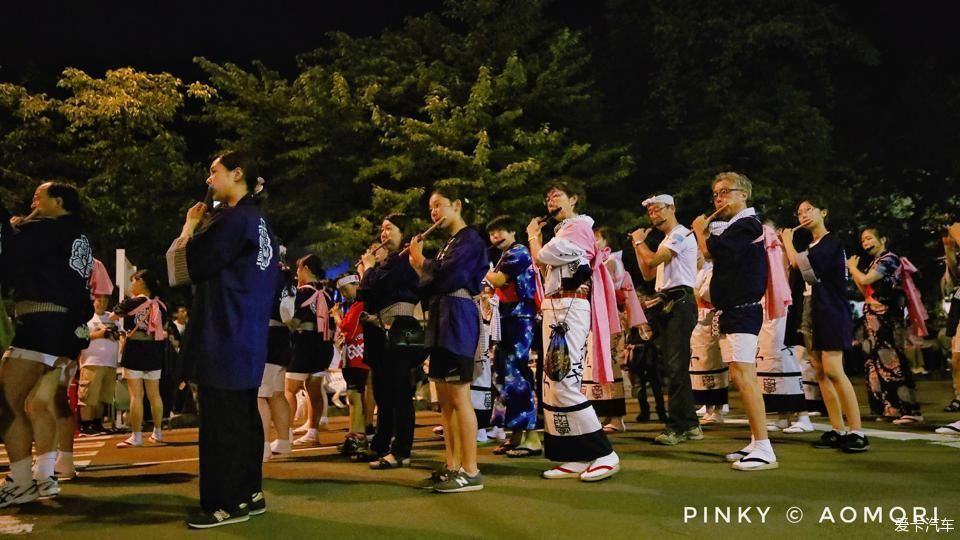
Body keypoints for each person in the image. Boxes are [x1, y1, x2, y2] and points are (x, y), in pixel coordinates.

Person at [170, 150, 278, 527]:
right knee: (244, 417)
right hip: (247, 333)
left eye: (214, 172)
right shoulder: (260, 221)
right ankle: (250, 493)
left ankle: (224, 503)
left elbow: (185, 268)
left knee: (221, 423)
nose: (208, 180)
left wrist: (189, 228)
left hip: (224, 332)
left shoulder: (231, 220)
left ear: (238, 174)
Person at [0, 182, 94, 506]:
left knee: (5, 401)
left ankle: (21, 480)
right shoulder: (78, 235)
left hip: (41, 321)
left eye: (40, 196)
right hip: (67, 328)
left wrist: (14, 225)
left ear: (58, 201)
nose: (33, 201)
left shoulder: (43, 229)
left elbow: (8, 257)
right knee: (41, 403)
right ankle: (45, 475)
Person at [527, 181, 620, 481]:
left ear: (574, 199)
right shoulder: (564, 230)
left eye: (556, 196)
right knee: (552, 382)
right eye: (548, 197)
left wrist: (533, 239)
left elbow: (543, 256)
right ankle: (577, 454)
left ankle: (604, 452)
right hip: (558, 307)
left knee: (563, 379)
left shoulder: (579, 226)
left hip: (569, 306)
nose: (550, 201)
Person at [690, 172, 775, 470]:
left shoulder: (748, 224)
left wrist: (701, 231)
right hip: (731, 309)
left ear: (744, 194)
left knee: (744, 374)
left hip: (743, 309)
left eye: (726, 191)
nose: (719, 198)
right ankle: (756, 440)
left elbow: (713, 251)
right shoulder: (735, 226)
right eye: (715, 193)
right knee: (739, 375)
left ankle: (764, 447)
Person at [409, 187, 489, 492]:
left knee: (459, 396)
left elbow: (449, 275)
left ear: (456, 205)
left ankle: (471, 470)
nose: (434, 213)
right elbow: (430, 283)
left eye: (439, 206)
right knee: (445, 400)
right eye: (431, 209)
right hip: (442, 320)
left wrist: (421, 262)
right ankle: (452, 465)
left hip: (458, 318)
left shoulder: (470, 239)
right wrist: (421, 266)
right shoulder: (449, 244)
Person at [781, 198, 868, 453]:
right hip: (811, 312)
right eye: (799, 212)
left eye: (809, 210)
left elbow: (807, 270)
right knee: (819, 372)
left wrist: (786, 241)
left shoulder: (831, 242)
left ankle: (856, 431)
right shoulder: (812, 244)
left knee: (833, 370)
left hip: (830, 311)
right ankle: (837, 428)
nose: (803, 215)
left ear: (823, 211)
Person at [630, 194, 701, 445]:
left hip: (680, 302)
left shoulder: (681, 234)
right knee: (674, 366)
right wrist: (638, 247)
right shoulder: (666, 240)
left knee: (675, 366)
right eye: (650, 211)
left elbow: (650, 260)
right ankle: (690, 424)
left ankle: (677, 427)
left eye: (658, 209)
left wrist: (639, 243)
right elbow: (647, 272)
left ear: (672, 208)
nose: (653, 215)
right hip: (668, 302)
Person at [357, 214, 423, 470]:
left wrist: (369, 268)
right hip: (385, 331)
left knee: (399, 393)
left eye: (389, 229)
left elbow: (365, 290)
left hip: (401, 330)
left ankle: (401, 449)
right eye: (382, 229)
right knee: (385, 392)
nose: (384, 235)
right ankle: (384, 445)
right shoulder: (391, 262)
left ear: (403, 232)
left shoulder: (404, 259)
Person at [848, 228, 924, 424]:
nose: (865, 243)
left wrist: (852, 268)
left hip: (887, 317)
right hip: (873, 316)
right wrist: (856, 272)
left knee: (892, 362)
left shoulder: (889, 259)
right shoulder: (876, 262)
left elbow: (865, 279)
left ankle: (910, 409)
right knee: (877, 364)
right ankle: (891, 407)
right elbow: (864, 288)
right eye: (863, 240)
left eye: (869, 238)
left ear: (882, 239)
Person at [484, 215, 541, 457]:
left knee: (517, 373)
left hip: (519, 316)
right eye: (492, 233)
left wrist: (478, 265)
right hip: (508, 316)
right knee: (505, 374)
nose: (495, 237)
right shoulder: (505, 256)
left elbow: (497, 280)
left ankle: (532, 438)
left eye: (500, 232)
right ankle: (516, 435)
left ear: (513, 232)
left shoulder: (518, 252)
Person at [589, 227, 647, 433]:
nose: (593, 242)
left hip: (609, 320)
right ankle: (607, 414)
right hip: (600, 319)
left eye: (597, 238)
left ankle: (616, 417)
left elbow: (612, 290)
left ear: (607, 242)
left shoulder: (611, 262)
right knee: (599, 368)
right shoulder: (602, 262)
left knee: (611, 366)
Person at [112, 269, 168, 448]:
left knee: (136, 395)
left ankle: (136, 436)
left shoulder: (132, 302)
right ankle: (157, 432)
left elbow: (114, 315)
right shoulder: (161, 304)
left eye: (134, 281)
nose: (132, 285)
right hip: (154, 350)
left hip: (135, 349)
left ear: (141, 281)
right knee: (155, 394)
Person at [285, 254, 334, 446]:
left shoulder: (302, 293)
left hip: (303, 344)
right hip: (323, 344)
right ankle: (313, 432)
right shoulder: (328, 293)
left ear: (305, 268)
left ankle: (285, 433)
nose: (297, 274)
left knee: (289, 389)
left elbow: (293, 320)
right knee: (314, 389)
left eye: (298, 269)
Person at [260, 262, 294, 462]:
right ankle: (283, 440)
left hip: (268, 337)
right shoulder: (285, 276)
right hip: (282, 337)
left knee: (259, 395)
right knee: (277, 393)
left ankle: (262, 445)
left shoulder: (267, 275)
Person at [78, 295, 121, 436]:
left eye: (105, 300)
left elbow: (120, 335)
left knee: (103, 396)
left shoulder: (112, 318)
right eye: (98, 300)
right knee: (88, 396)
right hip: (91, 362)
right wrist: (99, 334)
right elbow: (80, 337)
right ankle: (86, 424)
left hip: (110, 362)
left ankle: (98, 423)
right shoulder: (86, 318)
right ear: (93, 301)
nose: (101, 303)